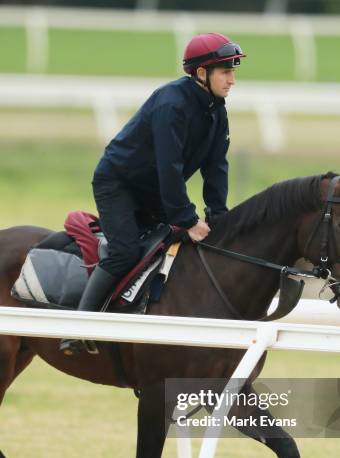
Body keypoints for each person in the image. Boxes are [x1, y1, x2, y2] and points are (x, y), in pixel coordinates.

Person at [60, 32, 246, 355]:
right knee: (126, 252)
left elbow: (216, 167)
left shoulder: (218, 111)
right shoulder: (171, 104)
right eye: (225, 72)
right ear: (202, 74)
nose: (232, 80)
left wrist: (219, 216)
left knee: (173, 247)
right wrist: (188, 218)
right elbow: (169, 168)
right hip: (118, 184)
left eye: (233, 71)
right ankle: (77, 328)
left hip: (155, 189)